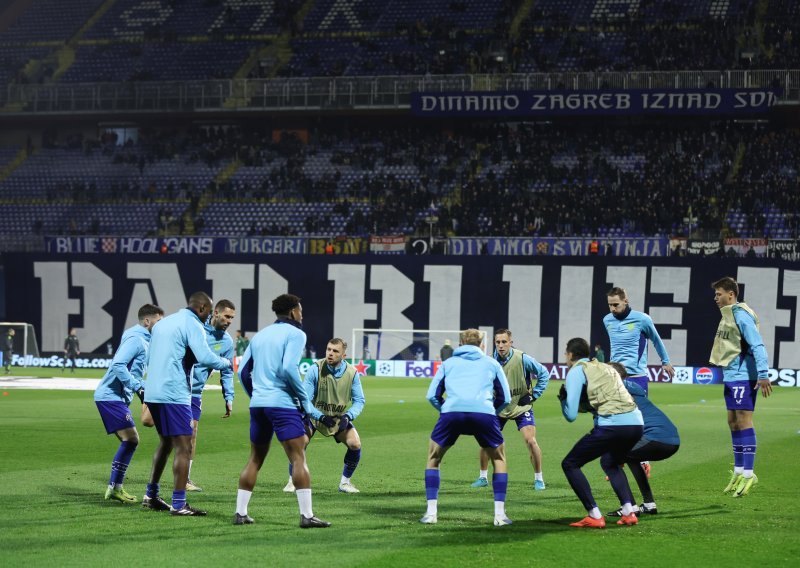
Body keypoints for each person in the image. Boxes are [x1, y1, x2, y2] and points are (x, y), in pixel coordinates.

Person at [234, 293, 332, 528]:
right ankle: (307, 516)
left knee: (255, 458)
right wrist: (303, 400)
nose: (302, 314)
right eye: (300, 310)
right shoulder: (296, 333)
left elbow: (242, 373)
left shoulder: (260, 336)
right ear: (292, 312)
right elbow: (288, 368)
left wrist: (256, 396)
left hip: (259, 405)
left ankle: (240, 512)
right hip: (282, 404)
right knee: (298, 457)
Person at [142, 292, 232, 516]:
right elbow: (205, 356)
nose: (208, 316)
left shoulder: (163, 324)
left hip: (153, 392)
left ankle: (151, 495)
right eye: (208, 311)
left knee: (165, 443)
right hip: (175, 393)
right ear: (201, 308)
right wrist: (227, 362)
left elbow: (149, 357)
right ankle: (179, 504)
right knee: (184, 447)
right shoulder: (193, 324)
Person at [421, 329, 512, 526]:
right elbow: (506, 398)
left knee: (433, 458)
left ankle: (431, 514)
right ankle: (499, 516)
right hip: (484, 414)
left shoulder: (448, 363)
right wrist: (490, 412)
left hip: (451, 413)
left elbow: (431, 395)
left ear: (461, 343)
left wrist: (445, 408)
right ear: (482, 345)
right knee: (499, 458)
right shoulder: (492, 363)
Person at [559, 337, 643, 528]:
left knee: (570, 464)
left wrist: (564, 401)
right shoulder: (607, 367)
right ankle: (629, 512)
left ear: (570, 354)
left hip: (613, 424)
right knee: (610, 462)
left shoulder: (576, 371)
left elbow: (570, 415)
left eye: (566, 354)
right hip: (636, 423)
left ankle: (594, 515)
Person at [93, 304, 164, 503]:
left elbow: (134, 371)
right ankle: (114, 487)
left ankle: (115, 487)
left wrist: (143, 388)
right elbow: (117, 364)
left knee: (130, 441)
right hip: (109, 396)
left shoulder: (143, 339)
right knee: (131, 439)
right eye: (158, 322)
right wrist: (137, 387)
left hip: (116, 397)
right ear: (147, 321)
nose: (161, 326)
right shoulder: (137, 339)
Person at [710, 276, 771, 497]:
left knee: (744, 420)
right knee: (732, 421)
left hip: (745, 375)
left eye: (719, 294)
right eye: (715, 294)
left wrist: (763, 374)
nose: (715, 298)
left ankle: (748, 474)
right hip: (731, 374)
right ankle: (738, 471)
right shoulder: (727, 316)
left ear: (731, 294)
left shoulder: (741, 315)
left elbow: (757, 344)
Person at [283, 338, 365, 494]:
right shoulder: (315, 369)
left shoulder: (352, 373)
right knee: (299, 442)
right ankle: (292, 481)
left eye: (335, 351)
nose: (330, 354)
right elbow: (305, 401)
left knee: (355, 444)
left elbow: (359, 401)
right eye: (328, 350)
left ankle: (345, 483)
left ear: (343, 355)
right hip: (314, 416)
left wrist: (348, 416)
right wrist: (320, 417)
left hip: (337, 418)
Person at [471, 328, 549, 491]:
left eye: (504, 342)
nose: (501, 345)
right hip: (499, 407)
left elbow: (544, 373)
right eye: (498, 342)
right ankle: (483, 477)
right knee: (485, 441)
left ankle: (539, 479)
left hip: (521, 406)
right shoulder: (490, 361)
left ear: (511, 343)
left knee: (531, 441)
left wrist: (534, 394)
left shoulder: (522, 358)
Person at [604, 362, 680, 516]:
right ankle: (649, 504)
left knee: (609, 459)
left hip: (655, 438)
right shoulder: (634, 388)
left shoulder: (617, 394)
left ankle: (629, 507)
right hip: (672, 440)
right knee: (631, 459)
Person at [186, 299, 237, 492]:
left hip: (195, 393)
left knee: (191, 434)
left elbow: (227, 371)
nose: (229, 321)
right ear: (215, 313)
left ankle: (185, 477)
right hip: (177, 388)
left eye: (232, 318)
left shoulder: (226, 342)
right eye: (226, 316)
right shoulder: (196, 329)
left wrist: (229, 397)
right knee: (156, 427)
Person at [604, 287, 675, 394]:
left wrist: (665, 361)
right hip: (615, 377)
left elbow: (656, 340)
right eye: (610, 305)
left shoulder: (642, 319)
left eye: (616, 305)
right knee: (615, 411)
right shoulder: (607, 320)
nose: (613, 308)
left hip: (636, 377)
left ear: (626, 301)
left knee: (640, 411)